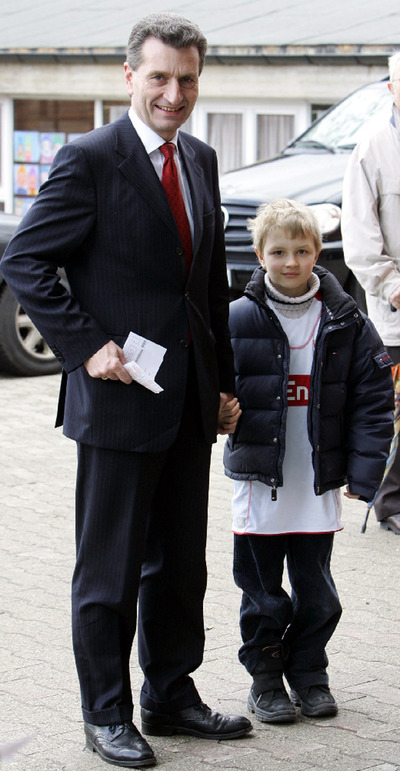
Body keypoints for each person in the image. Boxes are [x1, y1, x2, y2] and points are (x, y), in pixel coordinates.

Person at [1, 13, 251, 769]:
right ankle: (105, 713)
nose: (174, 93)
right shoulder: (89, 158)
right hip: (117, 401)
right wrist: (86, 346)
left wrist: (222, 386)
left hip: (187, 401)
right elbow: (25, 262)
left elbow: (207, 287)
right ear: (130, 76)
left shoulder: (201, 158)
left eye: (187, 79)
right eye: (160, 77)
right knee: (108, 570)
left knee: (180, 566)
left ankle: (169, 695)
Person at [223, 198, 393, 725]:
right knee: (262, 595)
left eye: (301, 250)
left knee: (318, 595)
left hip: (317, 485)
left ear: (318, 252)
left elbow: (373, 401)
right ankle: (266, 678)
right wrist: (216, 413)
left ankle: (309, 671)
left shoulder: (347, 320)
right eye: (278, 252)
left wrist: (365, 473)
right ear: (260, 255)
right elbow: (209, 387)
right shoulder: (236, 318)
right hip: (260, 483)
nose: (291, 261)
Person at [341, 50, 400, 535]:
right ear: (392, 89)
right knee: (395, 413)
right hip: (396, 310)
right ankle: (391, 502)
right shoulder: (372, 149)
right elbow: (360, 242)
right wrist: (394, 288)